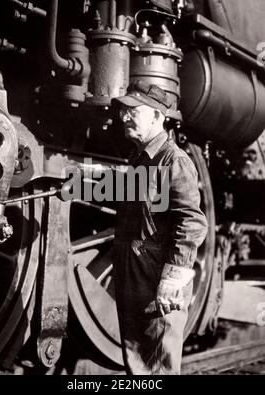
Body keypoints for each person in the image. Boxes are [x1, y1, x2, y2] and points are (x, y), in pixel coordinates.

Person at [112, 80, 208, 375]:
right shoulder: (139, 159)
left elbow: (191, 221)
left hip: (157, 279)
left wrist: (173, 277)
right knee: (138, 362)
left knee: (157, 366)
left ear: (157, 117)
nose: (124, 117)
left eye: (133, 110)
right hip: (134, 275)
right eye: (123, 110)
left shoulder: (174, 160)